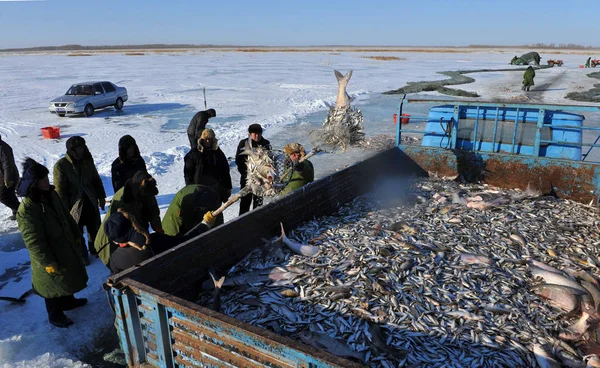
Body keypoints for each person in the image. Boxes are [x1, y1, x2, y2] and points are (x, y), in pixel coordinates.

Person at [16, 158, 88, 328]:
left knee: (66, 277)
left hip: (63, 245)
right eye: (43, 179)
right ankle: (55, 315)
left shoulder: (51, 194)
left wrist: (76, 234)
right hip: (49, 252)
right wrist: (47, 261)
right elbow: (33, 241)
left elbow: (66, 215)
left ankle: (68, 301)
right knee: (52, 285)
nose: (47, 181)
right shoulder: (27, 209)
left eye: (46, 178)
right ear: (34, 183)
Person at [106, 208, 215, 274]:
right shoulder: (155, 242)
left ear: (115, 241)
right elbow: (186, 241)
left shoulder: (115, 259)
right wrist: (205, 224)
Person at [53, 136, 106, 264]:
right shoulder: (61, 165)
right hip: (74, 204)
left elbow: (96, 180)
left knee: (94, 227)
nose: (80, 150)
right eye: (77, 148)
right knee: (76, 230)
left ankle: (96, 248)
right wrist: (64, 210)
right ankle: (82, 254)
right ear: (71, 150)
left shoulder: (87, 160)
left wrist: (101, 196)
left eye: (82, 147)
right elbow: (60, 191)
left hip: (90, 199)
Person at [94, 170, 163, 267]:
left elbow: (153, 211)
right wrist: (144, 241)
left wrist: (159, 231)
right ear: (139, 190)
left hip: (129, 232)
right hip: (112, 240)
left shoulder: (146, 189)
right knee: (124, 264)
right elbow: (128, 231)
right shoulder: (124, 200)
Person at [183, 128, 232, 208]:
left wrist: (228, 188)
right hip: (199, 189)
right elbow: (188, 174)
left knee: (216, 213)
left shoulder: (218, 153)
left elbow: (225, 171)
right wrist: (190, 189)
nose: (208, 141)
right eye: (206, 139)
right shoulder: (194, 153)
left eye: (210, 139)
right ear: (202, 139)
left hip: (215, 189)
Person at [235, 124, 272, 215]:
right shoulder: (244, 143)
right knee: (245, 201)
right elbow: (239, 160)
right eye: (254, 134)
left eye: (259, 133)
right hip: (247, 178)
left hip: (261, 178)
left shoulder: (266, 143)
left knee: (258, 201)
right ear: (249, 134)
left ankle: (257, 219)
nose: (257, 136)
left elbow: (270, 161)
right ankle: (242, 221)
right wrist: (247, 174)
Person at [0, 135, 20, 220]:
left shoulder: (3, 148)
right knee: (9, 194)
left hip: (8, 177)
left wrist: (7, 179)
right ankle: (17, 211)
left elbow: (7, 164)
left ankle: (19, 210)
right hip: (2, 177)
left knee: (3, 196)